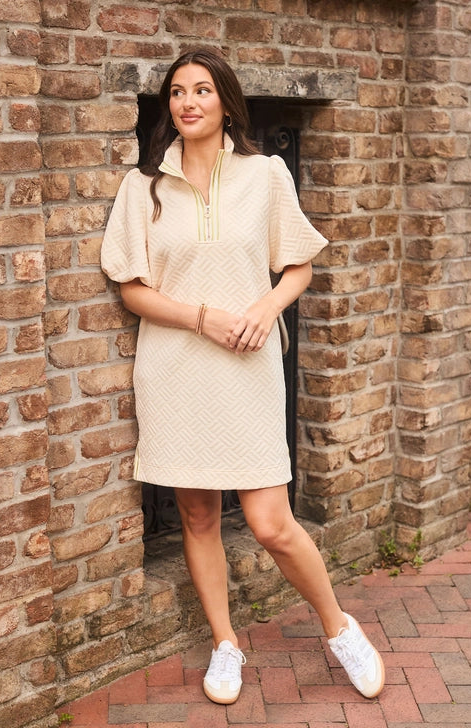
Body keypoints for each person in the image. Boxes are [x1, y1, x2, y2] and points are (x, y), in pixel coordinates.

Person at [101, 46, 385, 705]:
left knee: (270, 521)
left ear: (226, 102)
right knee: (198, 515)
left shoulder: (266, 175)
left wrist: (264, 309)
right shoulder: (144, 187)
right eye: (177, 91)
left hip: (249, 366)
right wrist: (201, 318)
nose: (188, 102)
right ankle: (226, 643)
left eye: (202, 89)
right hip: (175, 368)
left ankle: (339, 627)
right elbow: (132, 290)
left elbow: (299, 265)